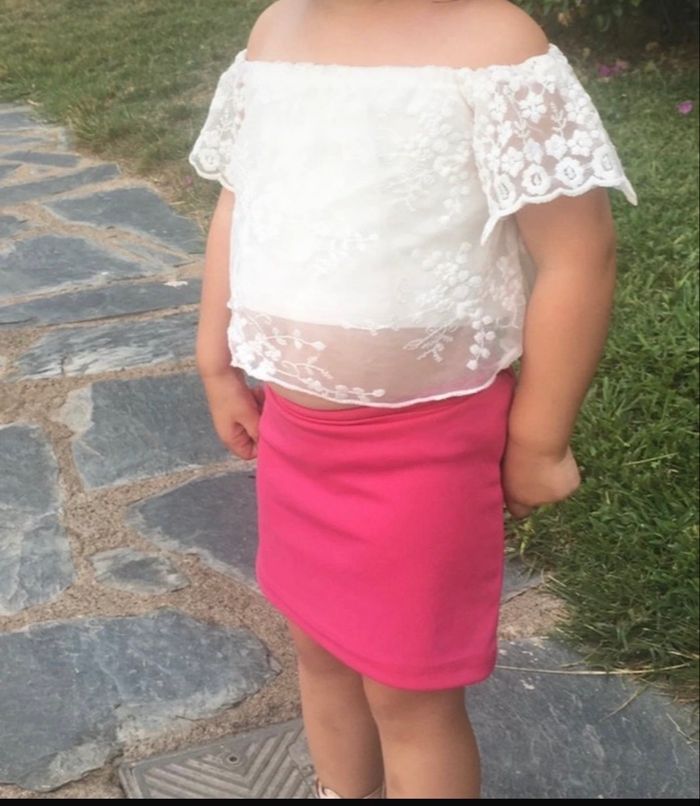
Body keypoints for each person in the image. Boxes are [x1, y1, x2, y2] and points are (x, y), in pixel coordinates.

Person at [188, 0, 638, 798]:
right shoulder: (277, 31)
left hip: (425, 449)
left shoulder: (493, 42)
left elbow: (579, 253)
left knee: (410, 695)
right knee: (319, 650)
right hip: (295, 436)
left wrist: (538, 443)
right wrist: (216, 361)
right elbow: (238, 199)